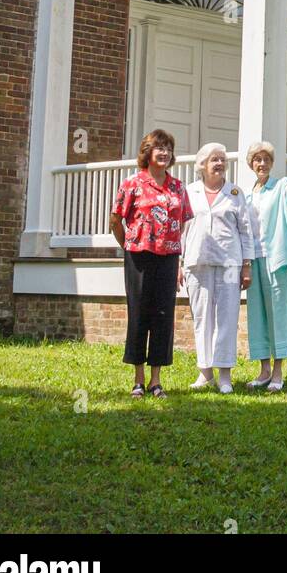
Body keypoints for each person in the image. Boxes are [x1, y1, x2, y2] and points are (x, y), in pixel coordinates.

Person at [109, 129, 193, 398]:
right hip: (139, 257)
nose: (164, 152)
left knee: (163, 316)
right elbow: (115, 221)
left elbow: (181, 223)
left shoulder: (178, 187)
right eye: (159, 147)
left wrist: (171, 248)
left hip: (168, 258)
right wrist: (130, 245)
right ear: (148, 152)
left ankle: (156, 380)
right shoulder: (132, 184)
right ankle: (138, 379)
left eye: (168, 147)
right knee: (139, 314)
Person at [182, 142, 255, 394]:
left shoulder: (235, 192)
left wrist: (247, 266)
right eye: (214, 159)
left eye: (222, 159)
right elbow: (182, 230)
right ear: (202, 164)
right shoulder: (189, 192)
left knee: (226, 318)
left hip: (230, 263)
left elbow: (246, 231)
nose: (220, 164)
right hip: (196, 262)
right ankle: (205, 373)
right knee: (202, 318)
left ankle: (225, 375)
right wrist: (179, 262)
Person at [245, 141, 287, 393]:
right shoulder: (247, 194)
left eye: (266, 159)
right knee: (257, 313)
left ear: (272, 163)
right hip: (254, 258)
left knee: (278, 314)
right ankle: (263, 370)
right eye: (258, 159)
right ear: (252, 164)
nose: (262, 164)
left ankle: (278, 371)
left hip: (276, 259)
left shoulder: (282, 186)